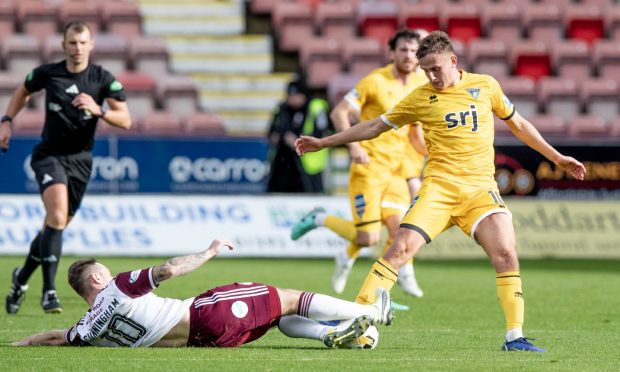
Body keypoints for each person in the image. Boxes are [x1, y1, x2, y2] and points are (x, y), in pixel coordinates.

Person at [294, 31, 587, 352]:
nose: (431, 76)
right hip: (438, 190)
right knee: (399, 250)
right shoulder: (420, 98)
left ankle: (514, 337)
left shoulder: (485, 86)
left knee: (506, 254)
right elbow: (374, 126)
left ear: (453, 61)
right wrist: (324, 142)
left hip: (480, 192)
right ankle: (355, 316)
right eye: (425, 70)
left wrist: (557, 157)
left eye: (436, 68)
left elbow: (519, 125)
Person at [11, 238, 393, 349]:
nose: (109, 273)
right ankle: (373, 312)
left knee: (279, 317)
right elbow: (170, 270)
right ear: (95, 280)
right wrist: (208, 252)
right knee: (288, 296)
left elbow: (55, 337)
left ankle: (332, 334)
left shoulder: (85, 330)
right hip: (204, 313)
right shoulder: (118, 286)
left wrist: (22, 344)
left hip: (204, 340)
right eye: (103, 271)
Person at [1, 21, 132, 314]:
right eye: (72, 43)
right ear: (63, 45)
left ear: (91, 45)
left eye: (83, 43)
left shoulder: (102, 79)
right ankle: (49, 291)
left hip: (81, 162)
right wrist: (7, 120)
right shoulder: (49, 73)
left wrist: (99, 110)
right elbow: (22, 92)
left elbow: (126, 119)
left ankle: (21, 278)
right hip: (49, 154)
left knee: (55, 226)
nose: (77, 48)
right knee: (57, 216)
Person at [290, 30, 427, 297]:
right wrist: (354, 147)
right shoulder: (375, 81)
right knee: (368, 239)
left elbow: (416, 130)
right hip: (369, 168)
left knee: (401, 229)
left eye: (413, 51)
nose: (409, 56)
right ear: (392, 53)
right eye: (403, 50)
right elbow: (339, 112)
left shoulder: (422, 84)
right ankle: (320, 219)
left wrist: (427, 153)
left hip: (398, 170)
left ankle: (401, 273)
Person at [266, 78, 330, 193]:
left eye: (296, 95)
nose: (293, 99)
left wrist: (296, 141)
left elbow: (322, 133)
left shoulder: (316, 107)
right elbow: (272, 132)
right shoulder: (281, 108)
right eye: (290, 95)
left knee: (312, 193)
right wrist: (277, 137)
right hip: (283, 162)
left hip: (309, 163)